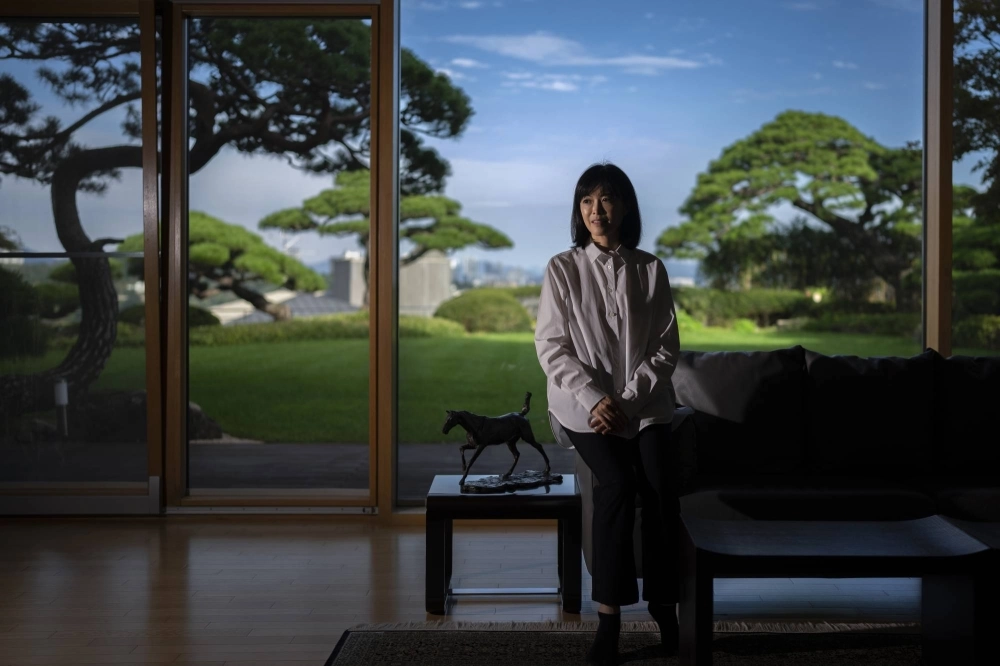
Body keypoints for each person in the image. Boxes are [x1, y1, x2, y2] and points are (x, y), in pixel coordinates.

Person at [534, 162, 681, 665]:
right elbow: (552, 346)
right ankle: (609, 619)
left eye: (607, 198)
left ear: (625, 206)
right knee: (616, 484)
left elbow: (665, 348)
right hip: (582, 408)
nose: (597, 210)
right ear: (579, 210)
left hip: (645, 407)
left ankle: (665, 605)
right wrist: (596, 399)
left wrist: (628, 400)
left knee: (660, 489)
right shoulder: (562, 268)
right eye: (587, 200)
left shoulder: (650, 268)